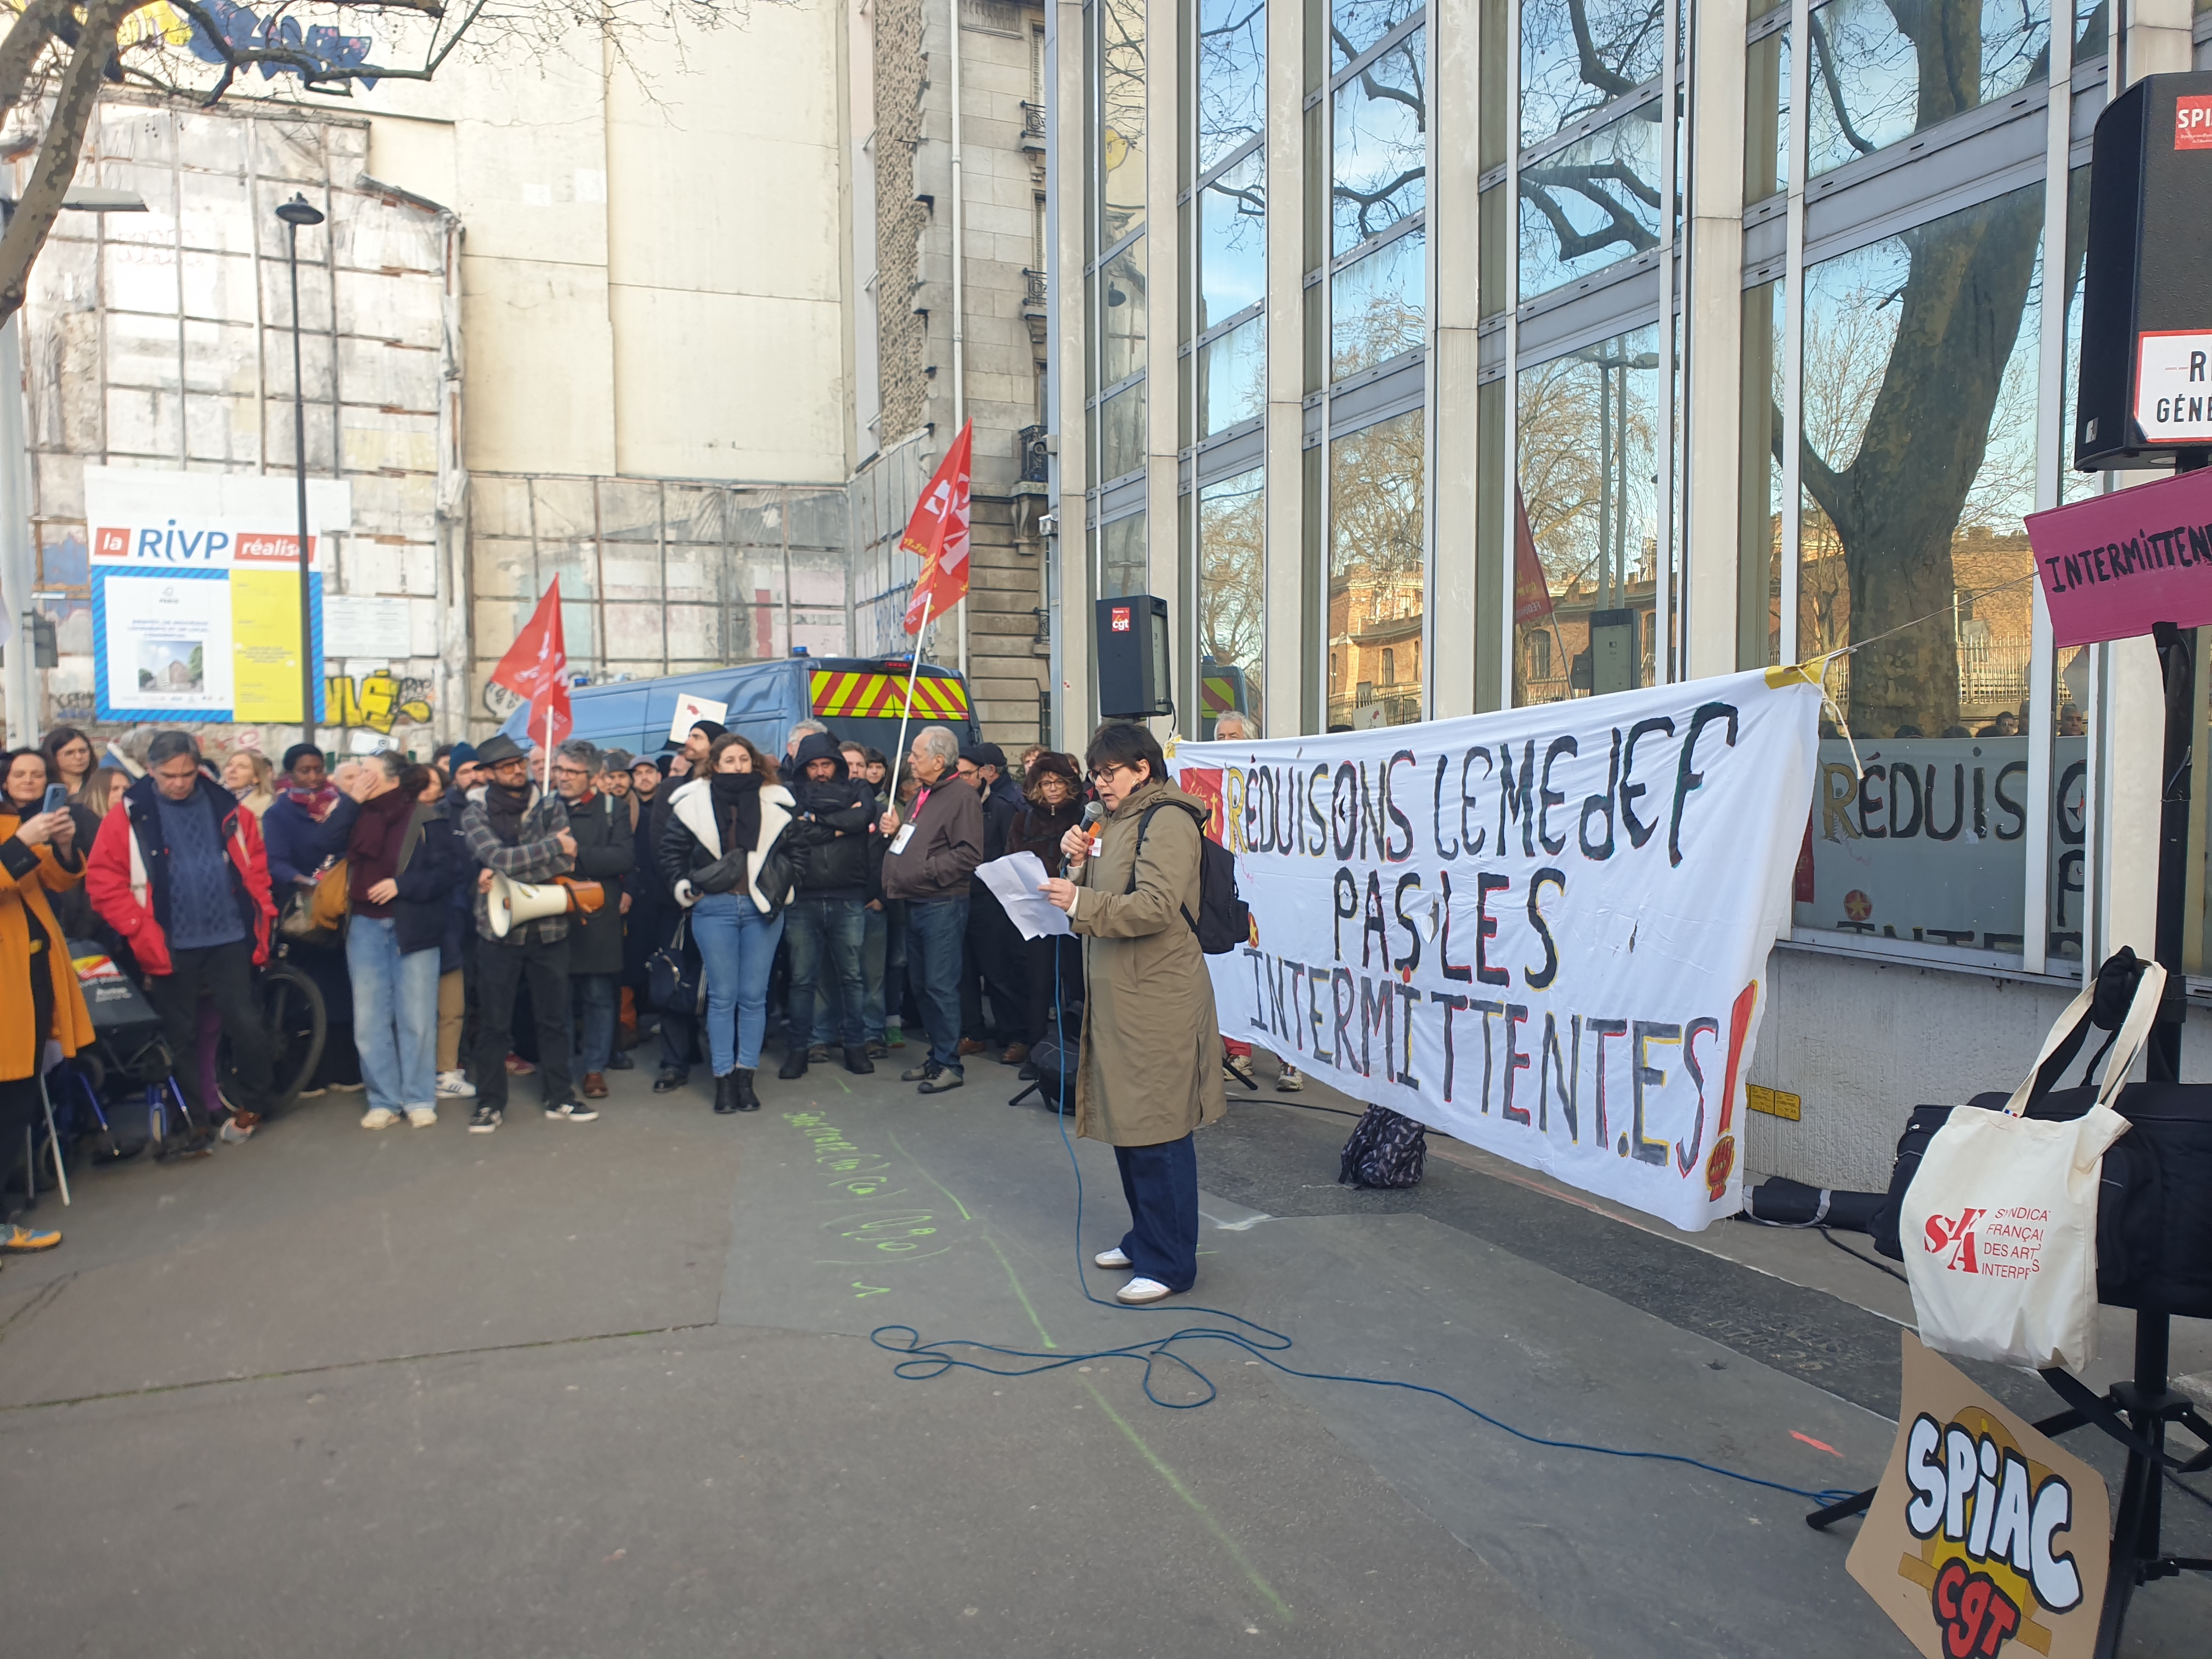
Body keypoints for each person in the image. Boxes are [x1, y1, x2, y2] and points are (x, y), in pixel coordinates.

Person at [1039, 722, 1226, 1305]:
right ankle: (1147, 1237)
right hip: (1122, 990)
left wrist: (1080, 900)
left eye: (1109, 772)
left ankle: (1170, 1261)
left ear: (1143, 768)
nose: (1100, 782)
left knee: (1159, 1128)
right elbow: (1101, 894)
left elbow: (1154, 907)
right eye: (1095, 774)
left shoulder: (1166, 818)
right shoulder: (1112, 820)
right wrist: (1074, 867)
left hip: (1157, 997)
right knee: (1130, 1122)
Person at [86, 730, 279, 1145]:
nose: (178, 782)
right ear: (151, 770)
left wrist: (261, 910)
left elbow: (256, 867)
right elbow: (103, 881)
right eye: (169, 775)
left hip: (229, 934)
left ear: (198, 767)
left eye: (187, 774)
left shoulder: (230, 808)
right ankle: (194, 1118)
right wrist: (138, 929)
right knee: (181, 1033)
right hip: (168, 941)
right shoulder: (126, 815)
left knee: (245, 1023)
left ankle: (254, 1104)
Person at [659, 732, 794, 1113]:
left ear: (754, 762)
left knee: (754, 998)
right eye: (730, 760)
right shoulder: (692, 802)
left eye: (743, 759)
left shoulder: (776, 800)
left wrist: (783, 885)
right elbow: (671, 851)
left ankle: (745, 1079)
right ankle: (722, 1081)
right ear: (715, 765)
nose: (738, 765)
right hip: (713, 909)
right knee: (723, 998)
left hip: (761, 908)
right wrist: (684, 887)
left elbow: (797, 850)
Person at [458, 735, 582, 1131]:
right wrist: (551, 848)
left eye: (519, 762)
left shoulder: (551, 803)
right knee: (495, 1022)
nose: (517, 770)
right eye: (507, 765)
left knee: (554, 1018)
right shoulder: (474, 812)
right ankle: (490, 1103)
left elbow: (567, 859)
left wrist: (507, 872)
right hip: (497, 932)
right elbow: (494, 857)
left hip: (548, 928)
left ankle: (560, 1097)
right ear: (490, 773)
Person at [0, 753, 94, 1251]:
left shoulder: (33, 823)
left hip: (34, 977)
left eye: (38, 775)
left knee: (18, 1096)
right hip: (5, 982)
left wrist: (61, 843)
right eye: (21, 774)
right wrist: (20, 843)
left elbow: (60, 881)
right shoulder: (16, 829)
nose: (30, 781)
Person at [346, 754, 458, 1130]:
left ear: (392, 780)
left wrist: (402, 885)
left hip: (413, 925)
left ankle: (419, 1097)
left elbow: (447, 873)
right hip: (363, 924)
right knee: (369, 1019)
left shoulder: (427, 818)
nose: (359, 777)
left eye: (367, 772)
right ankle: (383, 1099)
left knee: (417, 1015)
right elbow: (322, 842)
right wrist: (350, 804)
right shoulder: (354, 813)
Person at [878, 725, 983, 1093]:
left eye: (916, 754)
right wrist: (896, 833)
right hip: (917, 900)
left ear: (939, 761)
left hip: (941, 903)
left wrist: (924, 873)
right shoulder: (926, 793)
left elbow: (969, 853)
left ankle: (950, 1063)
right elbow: (921, 843)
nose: (909, 760)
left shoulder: (961, 797)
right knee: (923, 986)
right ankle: (939, 1057)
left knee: (940, 986)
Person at [1206, 711, 1297, 1091]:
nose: (1226, 741)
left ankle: (1290, 1060)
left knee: (1276, 976)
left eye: (1234, 735)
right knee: (1232, 972)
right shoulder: (1208, 781)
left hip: (1271, 892)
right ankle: (1238, 1051)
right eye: (1220, 736)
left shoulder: (1273, 780)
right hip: (1230, 891)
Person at [780, 731, 876, 1079]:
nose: (820, 772)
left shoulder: (859, 789)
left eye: (826, 765)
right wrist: (839, 828)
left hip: (848, 895)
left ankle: (855, 1046)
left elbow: (862, 819)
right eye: (813, 766)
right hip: (802, 897)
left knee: (852, 977)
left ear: (836, 765)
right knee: (802, 979)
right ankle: (798, 1050)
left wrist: (817, 820)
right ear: (803, 768)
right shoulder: (791, 794)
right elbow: (792, 832)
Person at [550, 739, 636, 1100]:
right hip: (553, 912)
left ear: (592, 775)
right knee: (557, 997)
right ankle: (561, 1070)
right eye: (559, 770)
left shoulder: (612, 809)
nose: (563, 777)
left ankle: (594, 1069)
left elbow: (622, 859)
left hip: (598, 916)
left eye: (572, 772)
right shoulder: (544, 809)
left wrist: (575, 856)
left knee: (599, 995)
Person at [645, 720, 722, 1090]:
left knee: (720, 981)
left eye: (697, 736)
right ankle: (675, 1061)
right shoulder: (672, 790)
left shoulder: (729, 791)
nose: (688, 742)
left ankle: (724, 1060)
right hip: (676, 903)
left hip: (722, 901)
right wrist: (684, 889)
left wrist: (713, 886)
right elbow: (662, 846)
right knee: (673, 975)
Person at [1007, 751, 1085, 1073]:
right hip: (1037, 913)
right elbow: (1011, 859)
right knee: (1038, 983)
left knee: (1077, 985)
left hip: (1074, 911)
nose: (1052, 789)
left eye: (1059, 782)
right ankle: (1038, 1053)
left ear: (1070, 785)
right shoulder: (1023, 820)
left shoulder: (1082, 816)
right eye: (1045, 783)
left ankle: (1078, 1053)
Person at [956, 741, 1031, 1065]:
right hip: (955, 898)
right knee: (963, 971)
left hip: (992, 900)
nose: (961, 781)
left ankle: (1015, 1034)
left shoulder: (1002, 808)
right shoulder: (950, 807)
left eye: (967, 775)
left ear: (984, 775)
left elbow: (1009, 853)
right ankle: (973, 1033)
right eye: (956, 775)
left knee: (998, 971)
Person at [40, 726, 95, 805]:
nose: (79, 757)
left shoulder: (101, 784)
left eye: (83, 751)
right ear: (53, 756)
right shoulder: (42, 789)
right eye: (69, 753)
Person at [223, 749, 276, 819]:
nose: (232, 770)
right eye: (229, 765)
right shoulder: (214, 797)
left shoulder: (266, 805)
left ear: (256, 777)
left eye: (242, 767)